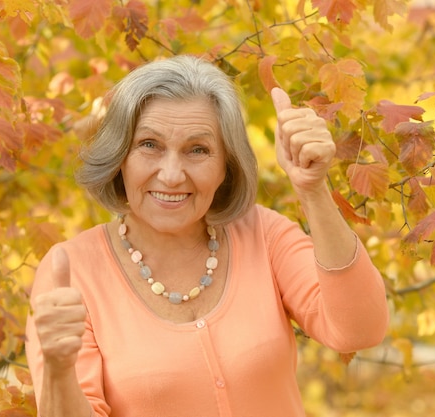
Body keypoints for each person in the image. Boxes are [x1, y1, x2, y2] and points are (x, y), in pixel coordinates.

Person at [25, 55, 389, 417]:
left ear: (225, 167)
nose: (171, 175)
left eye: (197, 150)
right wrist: (58, 370)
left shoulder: (264, 233)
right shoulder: (72, 272)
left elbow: (359, 329)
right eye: (149, 145)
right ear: (120, 158)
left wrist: (312, 190)